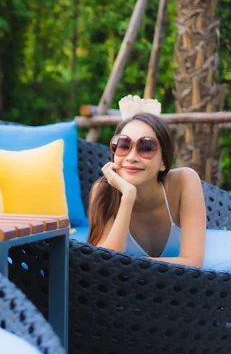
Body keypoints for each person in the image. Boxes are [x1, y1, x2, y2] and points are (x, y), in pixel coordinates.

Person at [87, 112, 206, 267]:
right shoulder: (103, 191)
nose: (132, 157)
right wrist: (127, 197)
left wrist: (127, 264)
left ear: (164, 161)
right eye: (123, 145)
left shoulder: (184, 181)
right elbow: (104, 265)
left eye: (146, 147)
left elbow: (194, 262)